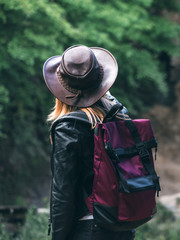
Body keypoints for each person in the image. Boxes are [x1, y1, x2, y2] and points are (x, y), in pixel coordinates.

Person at [43, 45, 135, 240]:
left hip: (87, 230)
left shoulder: (69, 127)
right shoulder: (118, 116)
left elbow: (63, 194)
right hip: (122, 227)